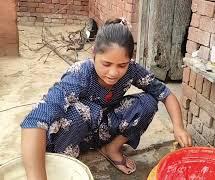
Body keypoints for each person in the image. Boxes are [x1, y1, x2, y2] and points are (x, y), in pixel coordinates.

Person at [20, 18, 192, 179]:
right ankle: (64, 162)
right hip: (72, 135)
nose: (113, 73)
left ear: (130, 60)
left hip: (103, 129)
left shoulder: (132, 70)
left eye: (122, 65)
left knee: (148, 102)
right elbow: (35, 120)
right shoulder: (80, 74)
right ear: (94, 53)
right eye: (106, 64)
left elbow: (165, 93)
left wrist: (179, 127)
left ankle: (111, 148)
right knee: (82, 112)